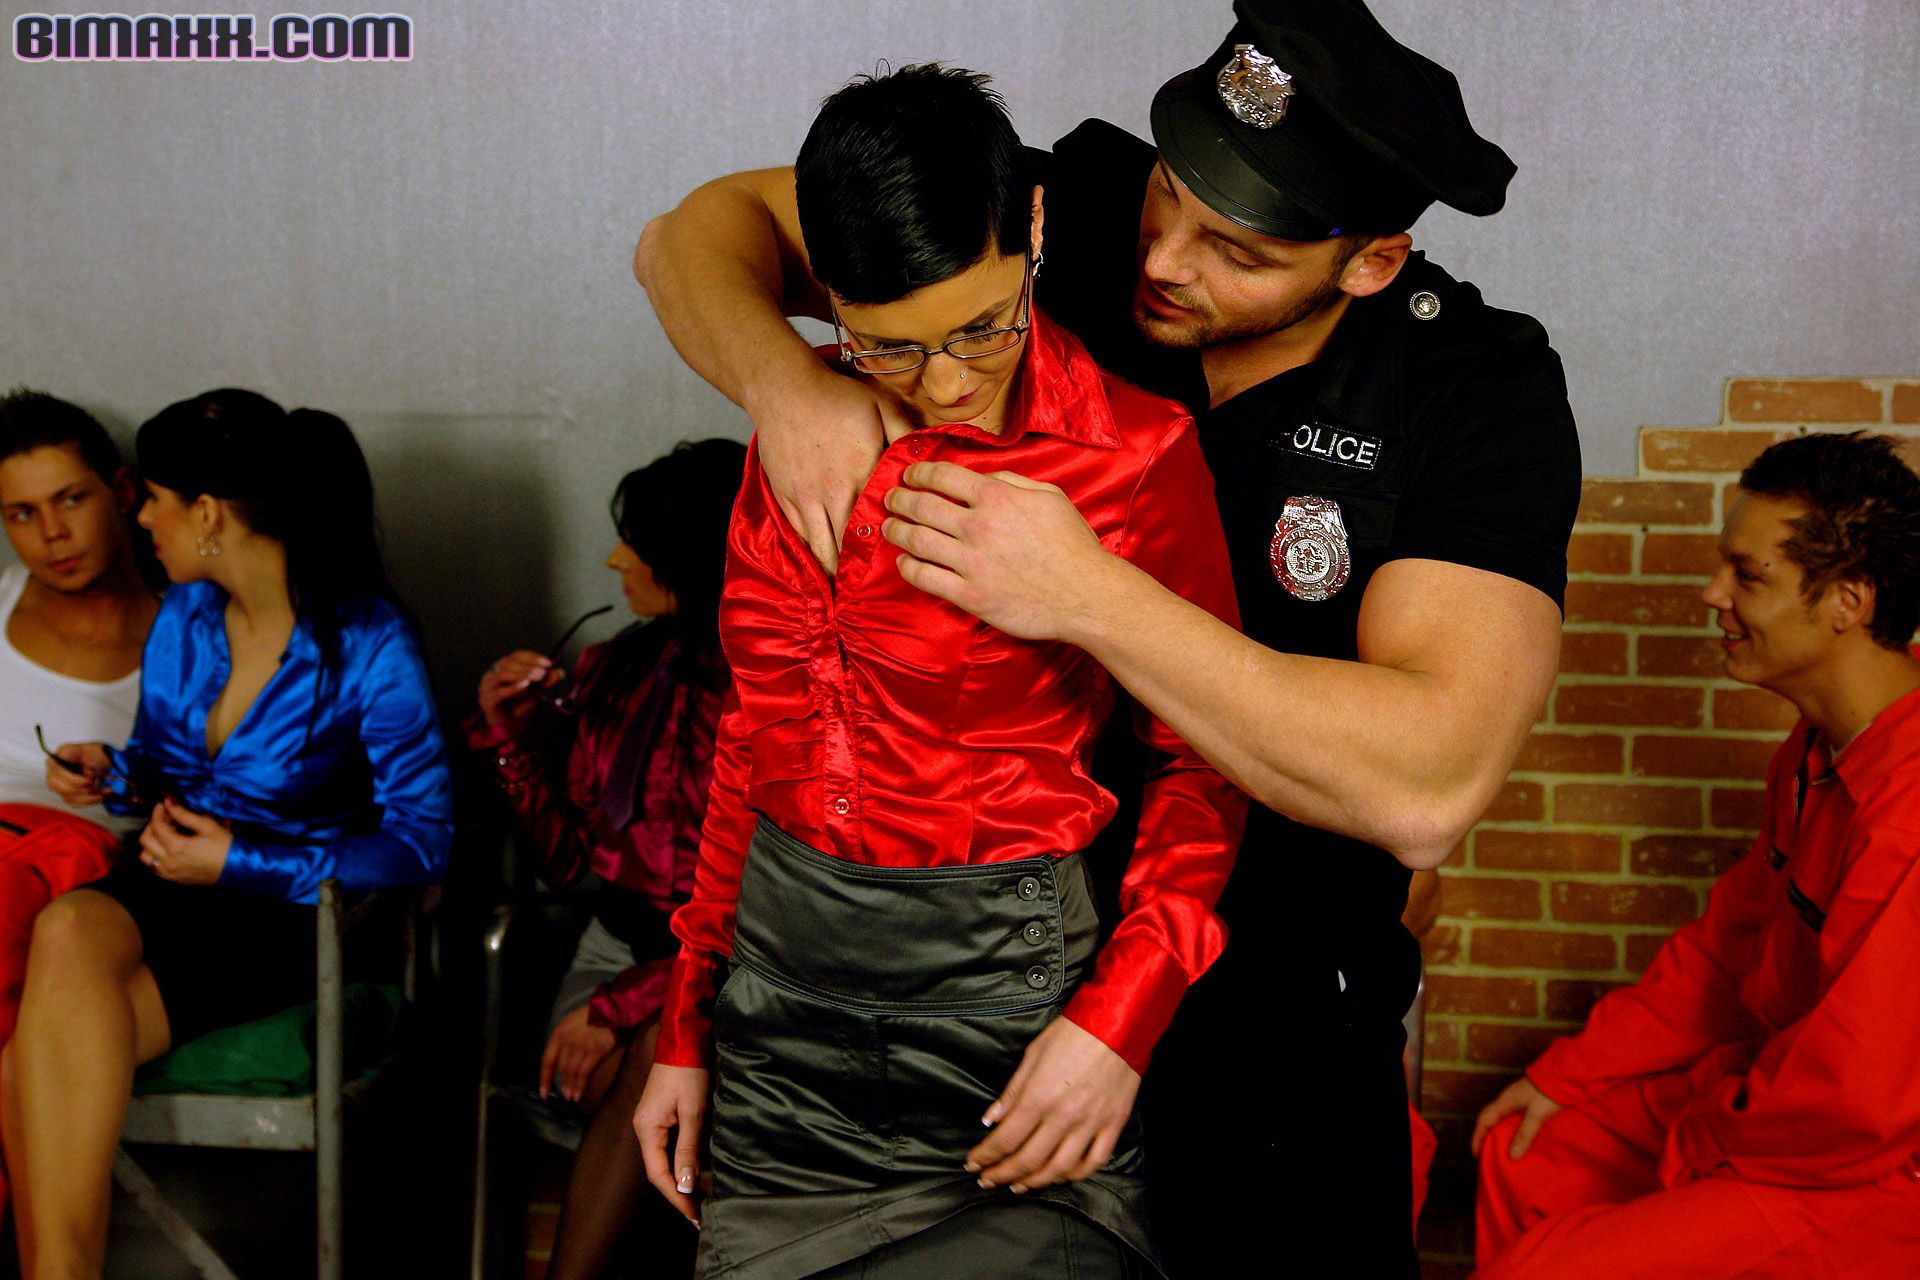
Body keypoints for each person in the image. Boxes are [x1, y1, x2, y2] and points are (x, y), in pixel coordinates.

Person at [632, 1, 1580, 1273]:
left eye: (1234, 248)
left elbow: (1429, 782)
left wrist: (1088, 594)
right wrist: (788, 383)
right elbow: (690, 236)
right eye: (1170, 193)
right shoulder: (1058, 215)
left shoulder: (1471, 388)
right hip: (982, 975)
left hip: (1268, 1005)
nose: (1165, 260)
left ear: (1367, 262)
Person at [632, 65, 1245, 1280]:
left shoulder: (1134, 455)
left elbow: (1204, 763)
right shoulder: (797, 430)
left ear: (1031, 228)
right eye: (891, 345)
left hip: (1008, 1019)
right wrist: (688, 1022)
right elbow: (754, 740)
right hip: (781, 1036)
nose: (951, 381)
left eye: (984, 325)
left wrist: (1121, 1023)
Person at [3, 388, 454, 1280]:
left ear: (206, 512)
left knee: (23, 1068)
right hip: (174, 878)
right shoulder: (186, 614)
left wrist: (239, 860)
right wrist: (109, 772)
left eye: (154, 500)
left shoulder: (371, 642)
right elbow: (162, 765)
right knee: (66, 927)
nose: (142, 520)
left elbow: (423, 842)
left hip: (293, 912)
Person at [1471, 432, 1920, 1279]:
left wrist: (1700, 1141)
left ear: (1848, 602)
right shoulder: (1813, 752)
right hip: (1773, 1101)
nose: (1713, 593)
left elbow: (1857, 1099)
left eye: (1748, 576)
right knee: (1528, 1153)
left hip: (1860, 1169)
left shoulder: (1909, 806)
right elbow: (1724, 955)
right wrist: (1571, 1077)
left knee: (1545, 1272)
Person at [470, 438, 743, 1280]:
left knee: (658, 1077)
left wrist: (622, 1007)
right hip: (615, 950)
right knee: (647, 1106)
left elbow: (766, 903)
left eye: (640, 542)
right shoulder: (616, 668)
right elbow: (566, 865)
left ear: (696, 557)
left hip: (740, 970)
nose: (615, 559)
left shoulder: (773, 686)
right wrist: (513, 741)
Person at [0, 390, 160, 1211]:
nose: (51, 535)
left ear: (121, 492)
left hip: (78, 871)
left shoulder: (185, 631)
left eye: (69, 500)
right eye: (22, 514)